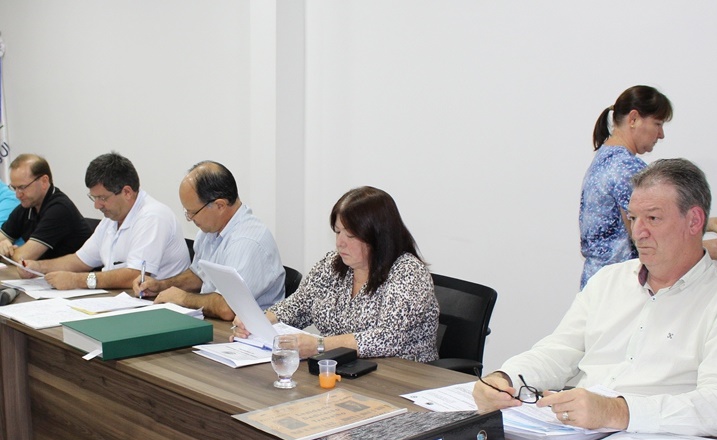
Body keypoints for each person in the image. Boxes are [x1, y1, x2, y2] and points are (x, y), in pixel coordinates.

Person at [476, 158, 717, 438]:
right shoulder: (609, 281)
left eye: (652, 218)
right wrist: (506, 378)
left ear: (694, 221)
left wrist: (617, 411)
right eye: (632, 218)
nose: (638, 232)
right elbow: (560, 350)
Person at [233, 186, 439, 362]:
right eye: (338, 232)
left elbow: (387, 338)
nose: (340, 243)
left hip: (402, 378)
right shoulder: (333, 264)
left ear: (378, 237)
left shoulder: (408, 272)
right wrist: (257, 322)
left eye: (351, 235)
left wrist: (319, 345)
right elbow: (298, 306)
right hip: (342, 369)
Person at [579, 85, 717, 289]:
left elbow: (622, 226)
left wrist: (705, 224)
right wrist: (704, 249)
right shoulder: (627, 168)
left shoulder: (606, 157)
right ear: (633, 119)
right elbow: (645, 236)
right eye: (658, 124)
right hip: (620, 285)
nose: (661, 135)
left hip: (598, 281)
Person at [134, 161, 284, 319]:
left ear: (220, 205)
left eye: (193, 212)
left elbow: (228, 308)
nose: (190, 218)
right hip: (215, 323)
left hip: (245, 330)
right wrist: (162, 285)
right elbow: (199, 275)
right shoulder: (210, 230)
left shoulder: (247, 242)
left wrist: (183, 298)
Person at [20, 151, 190, 289]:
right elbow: (80, 260)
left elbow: (135, 275)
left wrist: (77, 280)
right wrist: (37, 267)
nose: (97, 205)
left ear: (127, 192)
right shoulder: (112, 217)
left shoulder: (153, 216)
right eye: (93, 198)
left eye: (102, 198)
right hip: (121, 301)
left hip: (158, 307)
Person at [0, 154, 91, 261]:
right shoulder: (27, 206)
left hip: (75, 271)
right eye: (14, 188)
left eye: (22, 187)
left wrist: (6, 252)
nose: (18, 195)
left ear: (44, 181)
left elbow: (24, 257)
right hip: (43, 270)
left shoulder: (59, 209)